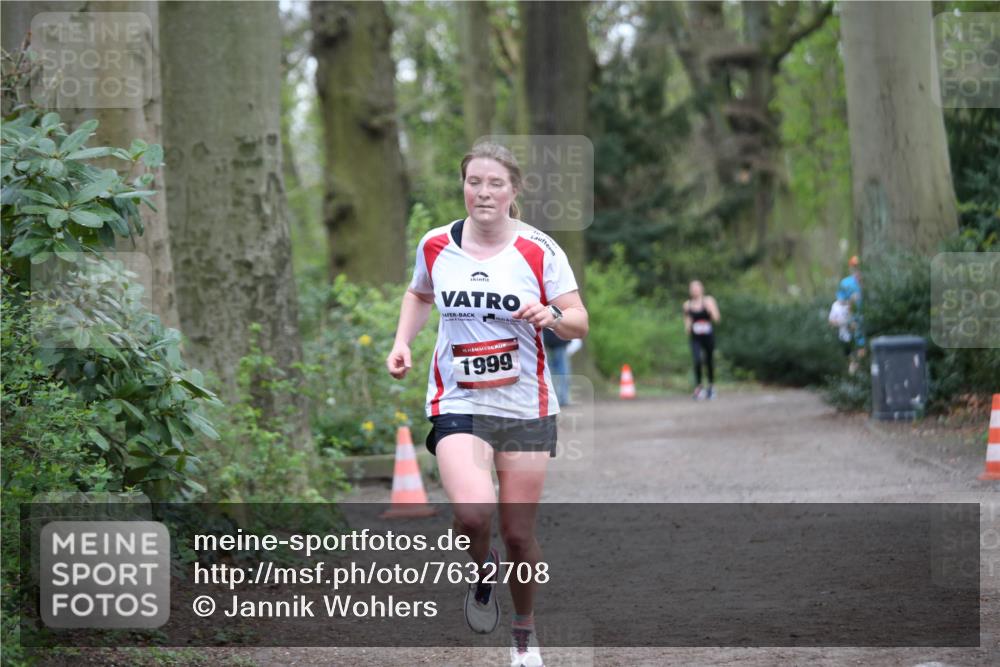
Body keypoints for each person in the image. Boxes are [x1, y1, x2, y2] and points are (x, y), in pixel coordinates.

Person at [386, 141, 588, 667]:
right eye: (474, 181)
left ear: (513, 190)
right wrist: (402, 341)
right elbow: (419, 293)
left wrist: (549, 315)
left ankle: (524, 634)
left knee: (520, 535)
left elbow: (578, 319)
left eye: (495, 183)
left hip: (525, 406)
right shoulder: (435, 245)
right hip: (459, 399)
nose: (483, 192)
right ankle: (482, 572)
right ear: (464, 186)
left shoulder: (540, 250)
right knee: (473, 513)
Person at [683, 280, 720, 400]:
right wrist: (688, 327)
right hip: (695, 338)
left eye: (697, 287)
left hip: (708, 336)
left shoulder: (709, 301)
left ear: (702, 288)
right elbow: (687, 322)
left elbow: (716, 319)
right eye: (692, 288)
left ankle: (711, 386)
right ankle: (699, 388)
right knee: (697, 360)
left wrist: (710, 310)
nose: (695, 290)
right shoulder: (687, 305)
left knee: (709, 361)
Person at [838, 255, 866, 373]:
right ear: (851, 267)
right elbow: (840, 301)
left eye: (858, 266)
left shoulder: (869, 281)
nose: (856, 268)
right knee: (850, 345)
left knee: (863, 347)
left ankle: (859, 369)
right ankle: (853, 368)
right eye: (854, 266)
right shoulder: (845, 283)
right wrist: (851, 300)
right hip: (851, 318)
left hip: (867, 319)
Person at [542, 328, 571, 406]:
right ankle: (562, 397)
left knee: (552, 370)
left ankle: (557, 397)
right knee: (562, 369)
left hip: (549, 340)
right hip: (558, 340)